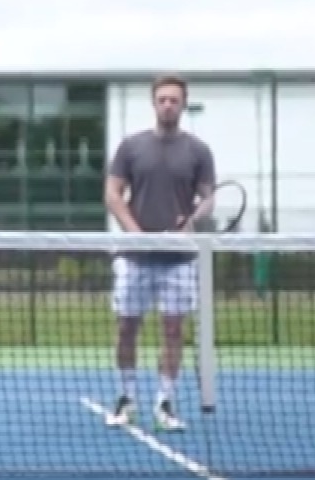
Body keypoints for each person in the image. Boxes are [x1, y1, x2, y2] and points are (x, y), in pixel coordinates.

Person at [102, 73, 216, 431]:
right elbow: (112, 194)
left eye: (174, 100)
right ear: (154, 103)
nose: (168, 105)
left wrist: (192, 219)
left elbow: (208, 199)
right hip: (135, 258)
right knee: (126, 329)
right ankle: (126, 398)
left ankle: (165, 402)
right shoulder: (131, 147)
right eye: (162, 99)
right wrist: (137, 235)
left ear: (183, 104)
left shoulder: (198, 151)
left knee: (173, 330)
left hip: (179, 259)